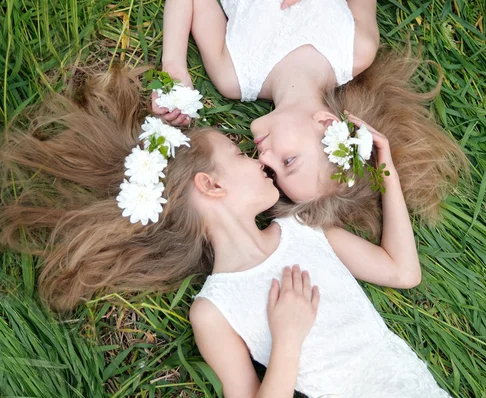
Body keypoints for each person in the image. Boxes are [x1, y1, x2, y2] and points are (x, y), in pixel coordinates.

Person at [1, 68, 452, 398]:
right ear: (211, 185)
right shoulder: (214, 312)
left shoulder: (306, 230)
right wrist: (287, 340)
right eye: (240, 155)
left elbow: (402, 271)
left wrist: (384, 169)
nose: (262, 161)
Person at [154, 0, 468, 240]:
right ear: (328, 125)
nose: (264, 158)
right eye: (288, 161)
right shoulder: (356, 49)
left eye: (272, 172)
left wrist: (174, 67)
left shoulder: (234, 76)